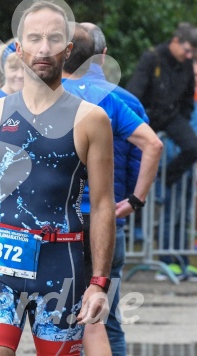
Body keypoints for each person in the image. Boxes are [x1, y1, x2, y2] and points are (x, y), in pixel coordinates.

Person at [0, 0, 116, 356]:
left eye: (54, 38)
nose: (43, 48)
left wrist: (99, 282)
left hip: (61, 263)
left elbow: (102, 205)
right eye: (34, 38)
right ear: (19, 49)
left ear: (68, 50)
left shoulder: (91, 119)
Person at [63, 24, 163, 356]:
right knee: (106, 321)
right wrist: (134, 200)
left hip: (60, 220)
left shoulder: (46, 96)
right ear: (102, 57)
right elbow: (146, 151)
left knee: (54, 316)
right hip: (107, 220)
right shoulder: (123, 99)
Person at [126, 22, 197, 187]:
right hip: (147, 115)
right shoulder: (153, 57)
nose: (189, 55)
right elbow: (135, 91)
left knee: (193, 147)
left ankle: (161, 179)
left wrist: (184, 117)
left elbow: (188, 96)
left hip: (171, 116)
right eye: (187, 50)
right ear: (175, 41)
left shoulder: (187, 64)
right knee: (135, 159)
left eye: (192, 52)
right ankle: (136, 198)